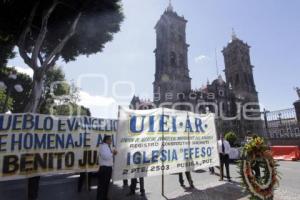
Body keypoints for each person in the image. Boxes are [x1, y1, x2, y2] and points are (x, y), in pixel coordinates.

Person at [97, 135, 117, 200]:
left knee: (106, 184)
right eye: (110, 140)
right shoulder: (102, 147)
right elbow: (105, 157)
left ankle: (105, 197)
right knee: (102, 185)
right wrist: (113, 153)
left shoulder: (108, 147)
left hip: (108, 168)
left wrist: (113, 153)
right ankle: (100, 198)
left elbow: (109, 156)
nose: (111, 141)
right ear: (106, 140)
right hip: (104, 168)